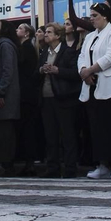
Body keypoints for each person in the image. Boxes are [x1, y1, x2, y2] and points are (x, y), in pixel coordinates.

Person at [74, 0, 111, 179]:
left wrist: (91, 69)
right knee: (96, 128)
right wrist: (83, 72)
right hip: (91, 87)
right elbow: (81, 56)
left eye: (95, 15)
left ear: (105, 16)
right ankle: (102, 163)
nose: (91, 18)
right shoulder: (90, 36)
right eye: (90, 15)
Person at [37, 23, 81, 178]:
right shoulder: (43, 53)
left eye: (49, 32)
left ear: (57, 35)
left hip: (63, 98)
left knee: (68, 135)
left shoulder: (68, 52)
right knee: (50, 136)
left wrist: (57, 71)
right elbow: (37, 71)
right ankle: (52, 168)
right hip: (46, 97)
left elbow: (76, 73)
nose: (46, 34)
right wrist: (42, 70)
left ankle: (70, 168)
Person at [0, 22, 21, 175]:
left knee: (4, 131)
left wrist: (1, 92)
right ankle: (6, 163)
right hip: (3, 94)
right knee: (3, 131)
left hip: (5, 96)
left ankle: (7, 164)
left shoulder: (5, 45)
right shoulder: (2, 45)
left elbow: (7, 70)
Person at [13, 22, 43, 171]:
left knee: (27, 127)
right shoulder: (24, 48)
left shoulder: (27, 48)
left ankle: (30, 160)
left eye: (20, 28)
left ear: (26, 34)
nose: (16, 30)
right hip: (25, 92)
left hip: (27, 94)